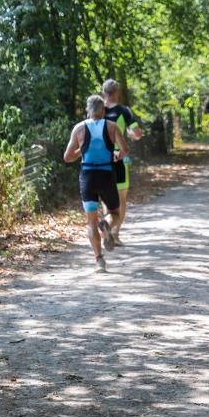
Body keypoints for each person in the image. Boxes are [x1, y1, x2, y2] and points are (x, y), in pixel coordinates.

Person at [63, 94, 129, 272]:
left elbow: (67, 157)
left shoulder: (79, 128)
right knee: (114, 212)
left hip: (87, 177)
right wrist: (116, 155)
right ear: (104, 110)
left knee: (91, 221)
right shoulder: (112, 126)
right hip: (107, 175)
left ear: (87, 111)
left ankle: (99, 260)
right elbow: (125, 150)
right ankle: (106, 225)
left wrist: (81, 149)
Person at [102, 78, 142, 245]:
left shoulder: (96, 109)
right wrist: (131, 135)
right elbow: (137, 133)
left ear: (103, 93)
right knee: (122, 199)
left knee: (105, 197)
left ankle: (107, 228)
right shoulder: (124, 111)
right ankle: (115, 233)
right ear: (117, 93)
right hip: (119, 158)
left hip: (100, 158)